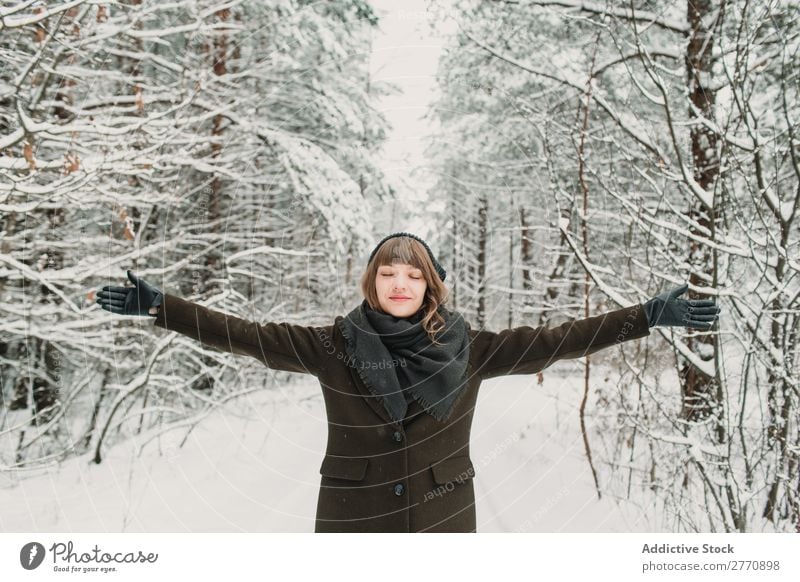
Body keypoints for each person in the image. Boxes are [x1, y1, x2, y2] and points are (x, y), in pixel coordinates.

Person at [95, 232, 720, 532]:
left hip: (443, 519)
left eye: (413, 276)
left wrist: (646, 316)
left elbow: (557, 341)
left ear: (430, 286)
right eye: (388, 273)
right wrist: (163, 308)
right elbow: (247, 334)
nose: (400, 284)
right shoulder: (331, 345)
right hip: (353, 521)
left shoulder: (472, 351)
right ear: (373, 283)